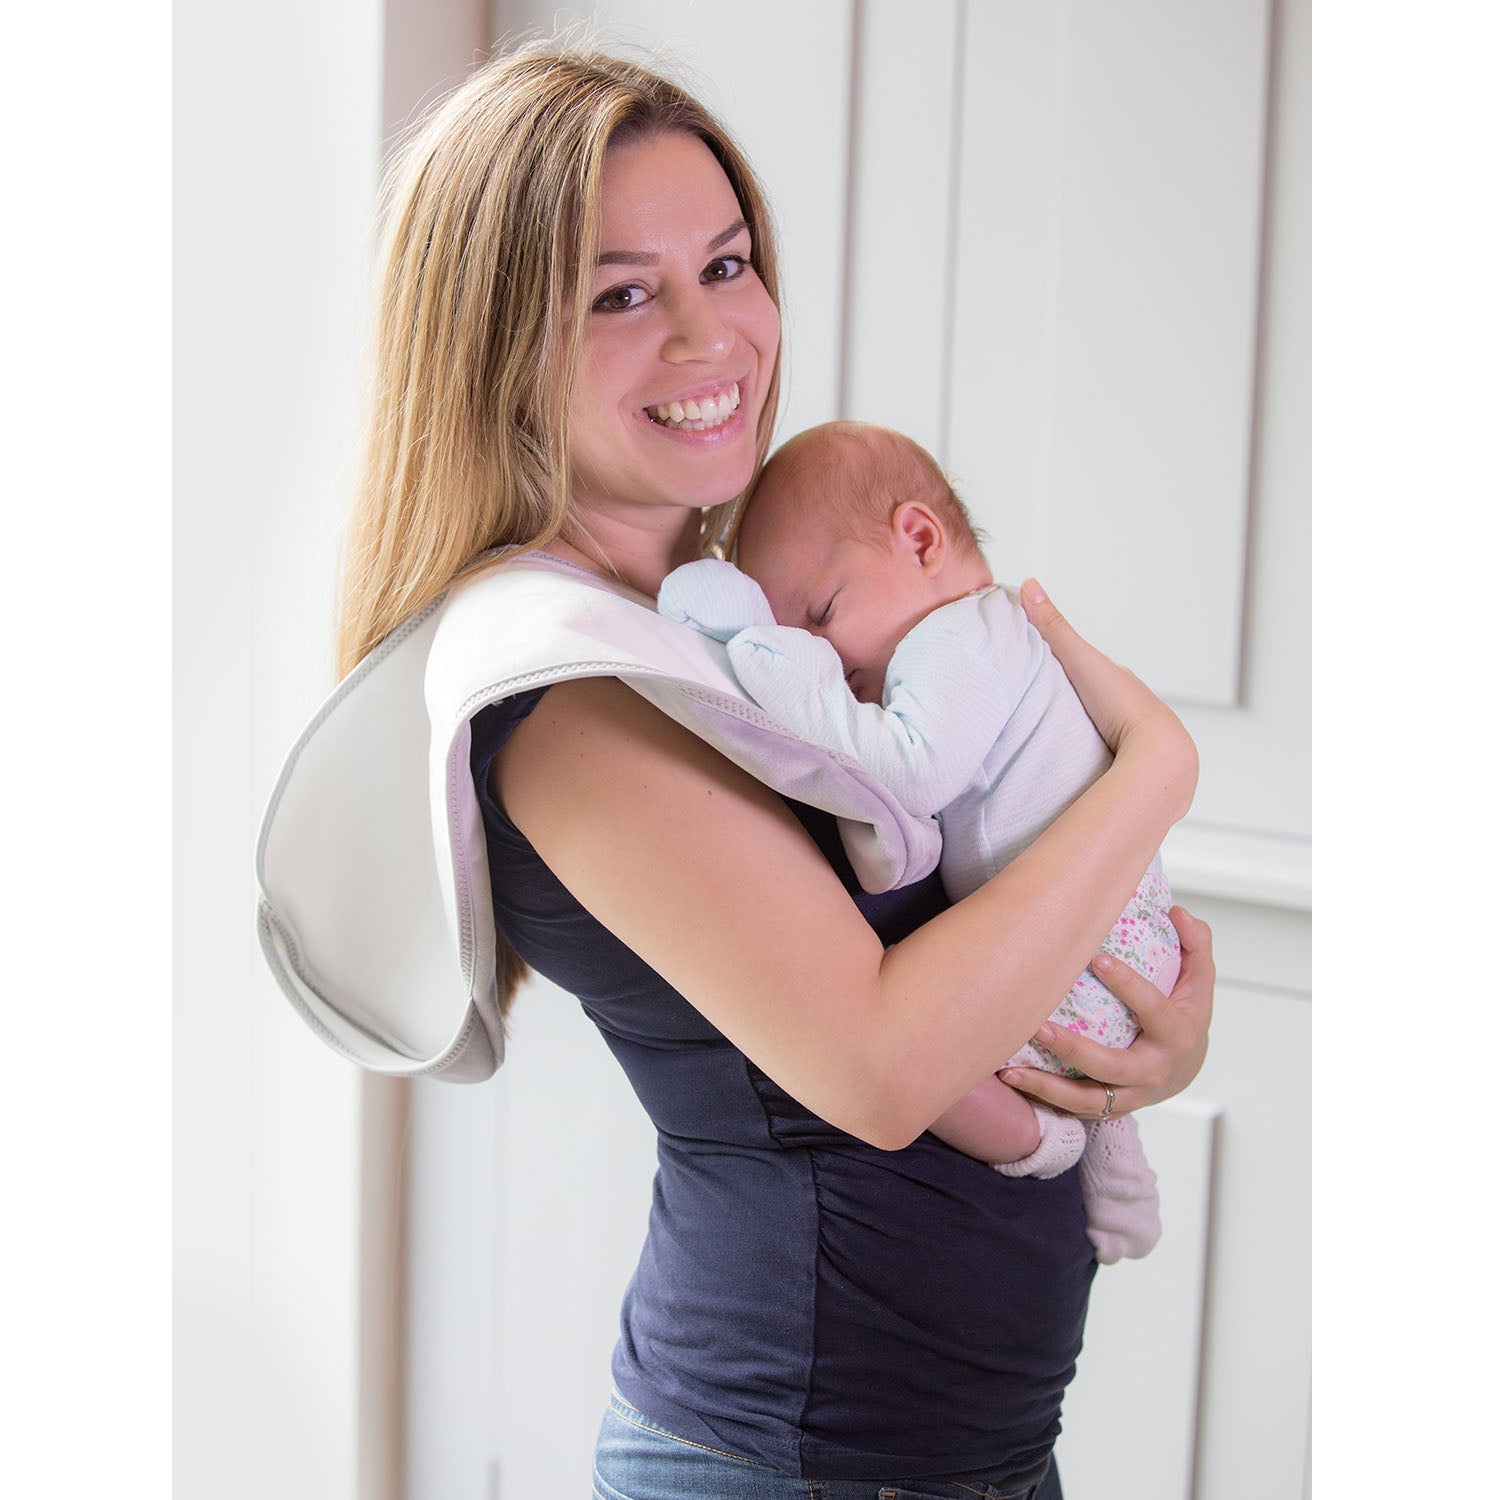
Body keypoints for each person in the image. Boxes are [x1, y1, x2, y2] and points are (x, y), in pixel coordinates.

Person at [335, 40, 1213, 1498]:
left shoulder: (736, 609)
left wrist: (1136, 1054)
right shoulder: (567, 686)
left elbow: (986, 884)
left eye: (729, 265)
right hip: (794, 1460)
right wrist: (1158, 774)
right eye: (622, 294)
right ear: (494, 342)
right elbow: (878, 1065)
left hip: (955, 1451)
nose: (712, 338)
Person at [660, 421, 1180, 1264]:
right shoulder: (989, 641)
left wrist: (760, 648)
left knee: (935, 1065)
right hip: (1119, 944)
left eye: (823, 613)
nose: (828, 652)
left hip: (1093, 957)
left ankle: (1046, 1145)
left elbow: (906, 774)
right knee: (1075, 1069)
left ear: (920, 539)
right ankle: (1117, 1165)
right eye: (802, 631)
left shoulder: (962, 637)